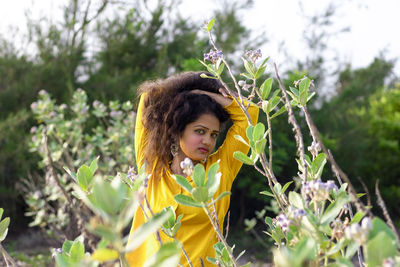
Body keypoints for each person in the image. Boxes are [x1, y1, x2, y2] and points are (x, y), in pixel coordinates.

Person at [126, 71, 259, 266]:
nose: (208, 140)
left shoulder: (220, 171)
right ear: (178, 130)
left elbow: (250, 113)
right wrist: (190, 86)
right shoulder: (152, 169)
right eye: (200, 131)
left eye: (213, 134)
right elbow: (149, 97)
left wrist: (207, 93)